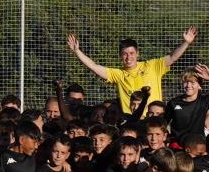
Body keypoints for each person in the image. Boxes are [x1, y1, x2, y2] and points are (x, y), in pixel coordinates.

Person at [68, 26, 197, 114]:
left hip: (154, 118)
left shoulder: (152, 66)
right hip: (131, 120)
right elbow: (94, 66)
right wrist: (77, 51)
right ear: (120, 56)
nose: (128, 57)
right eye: (125, 54)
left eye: (131, 53)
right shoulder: (118, 74)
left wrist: (186, 43)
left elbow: (173, 57)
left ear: (137, 54)